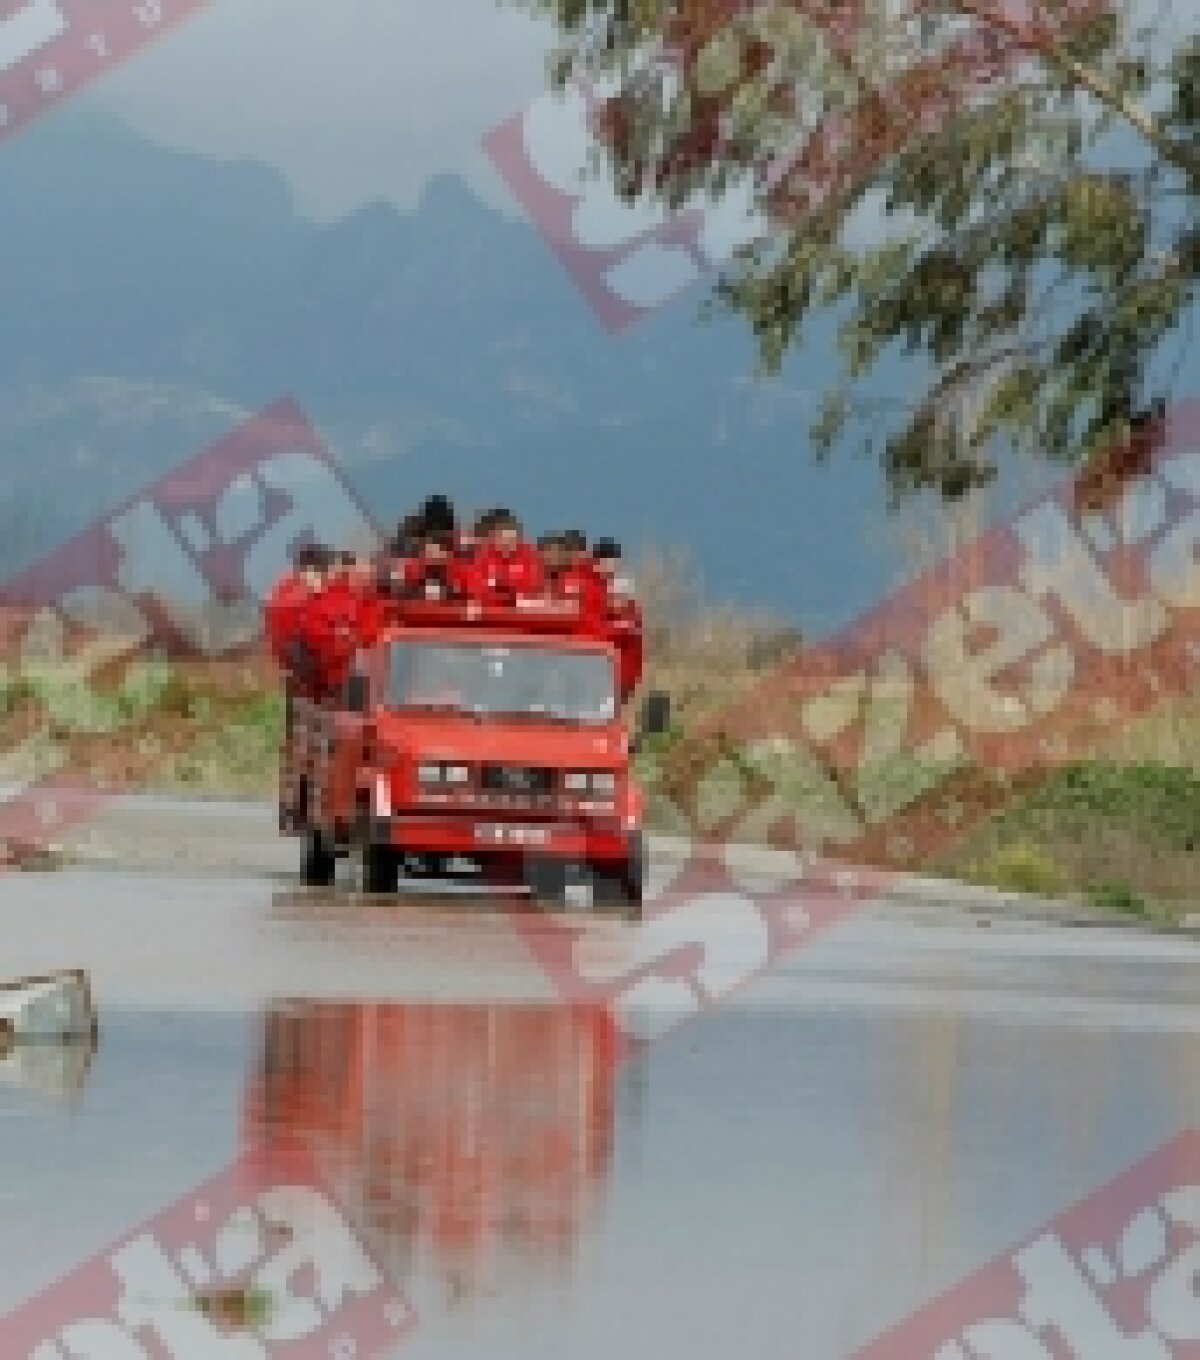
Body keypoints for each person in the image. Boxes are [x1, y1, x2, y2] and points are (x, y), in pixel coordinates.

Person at [474, 508, 544, 603]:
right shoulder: (477, 560)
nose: (507, 539)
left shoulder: (530, 560)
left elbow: (535, 590)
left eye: (510, 532)